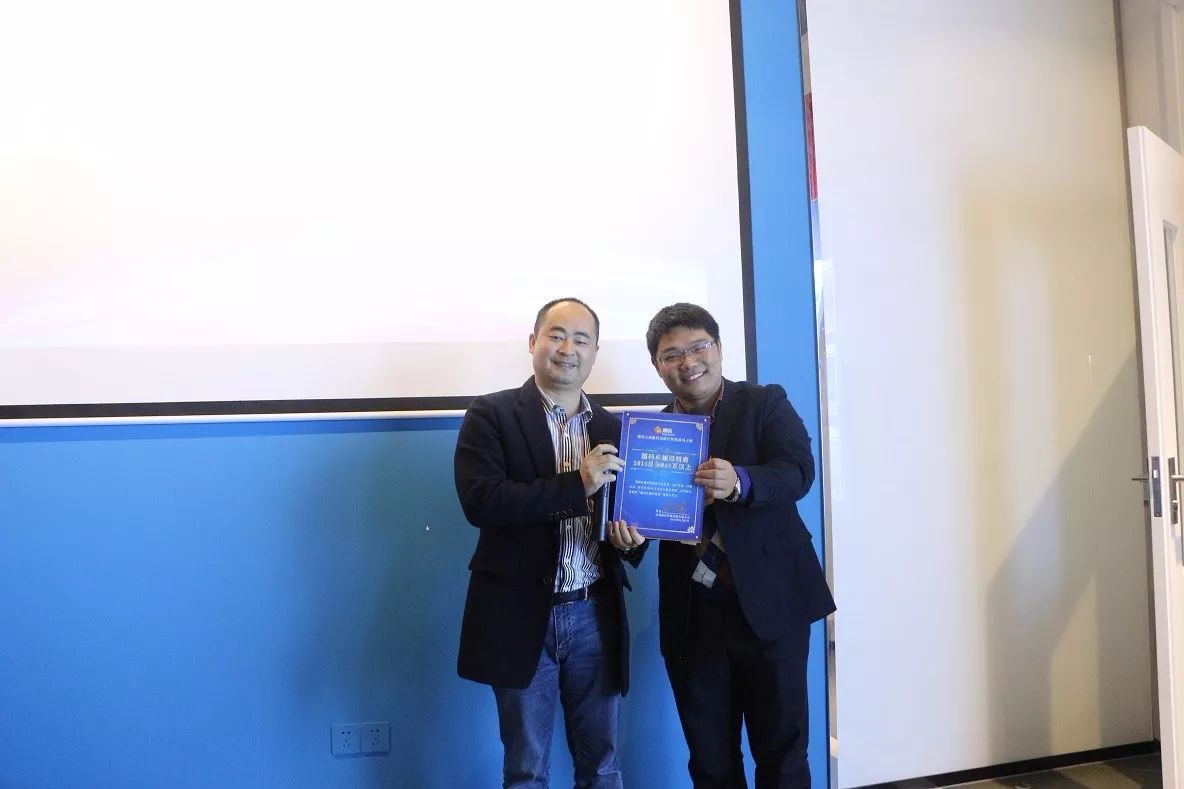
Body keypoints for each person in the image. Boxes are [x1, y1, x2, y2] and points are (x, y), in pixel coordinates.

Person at [607, 302, 835, 788]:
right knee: (710, 763)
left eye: (698, 347)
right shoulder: (647, 436)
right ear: (657, 366)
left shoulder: (764, 402)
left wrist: (742, 482)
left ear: (719, 348)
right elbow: (639, 524)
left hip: (772, 607)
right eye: (672, 355)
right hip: (695, 618)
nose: (688, 361)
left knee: (784, 756)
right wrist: (627, 542)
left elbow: (798, 471)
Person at [455, 297, 646, 789]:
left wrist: (631, 541)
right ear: (533, 342)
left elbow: (627, 522)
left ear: (595, 352)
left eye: (581, 339)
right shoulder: (491, 414)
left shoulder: (614, 428)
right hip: (519, 614)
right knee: (526, 768)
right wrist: (577, 484)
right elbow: (482, 502)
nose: (568, 348)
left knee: (602, 765)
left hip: (594, 612)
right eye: (556, 335)